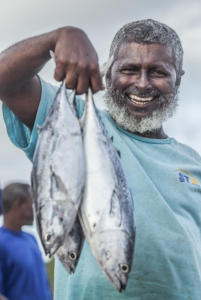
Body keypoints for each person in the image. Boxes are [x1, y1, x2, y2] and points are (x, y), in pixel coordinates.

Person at [0, 19, 201, 299]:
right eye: (129, 69)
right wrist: (56, 38)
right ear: (108, 76)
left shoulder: (194, 164)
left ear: (177, 80)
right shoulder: (73, 123)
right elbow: (6, 82)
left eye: (157, 72)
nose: (142, 84)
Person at [0, 182, 52, 300]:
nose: (35, 211)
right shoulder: (1, 242)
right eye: (31, 204)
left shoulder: (31, 238)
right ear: (18, 204)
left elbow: (43, 283)